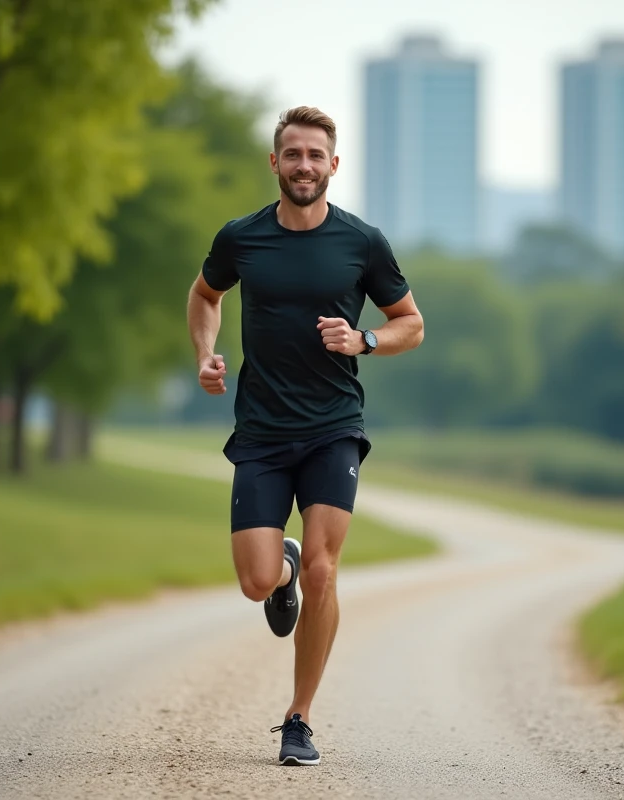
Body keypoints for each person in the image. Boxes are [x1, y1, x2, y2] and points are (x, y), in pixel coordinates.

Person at [186, 106, 424, 766]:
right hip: (261, 430)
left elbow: (412, 323)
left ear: (333, 165)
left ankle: (299, 718)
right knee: (257, 583)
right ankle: (280, 563)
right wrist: (205, 354)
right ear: (275, 162)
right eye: (293, 154)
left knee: (325, 572)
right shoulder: (242, 238)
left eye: (315, 156)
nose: (304, 166)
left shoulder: (361, 243)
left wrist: (364, 339)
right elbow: (206, 295)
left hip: (332, 428)